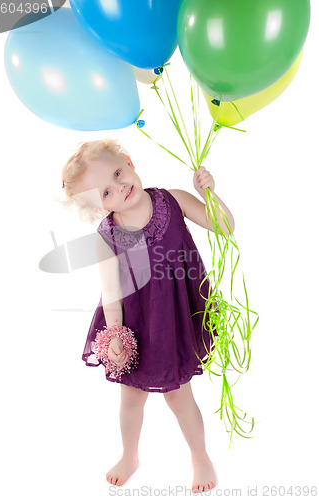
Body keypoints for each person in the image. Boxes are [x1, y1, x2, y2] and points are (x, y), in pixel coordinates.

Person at [59, 138, 235, 493]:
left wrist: (210, 194)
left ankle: (200, 457)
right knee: (130, 397)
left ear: (128, 161)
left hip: (175, 317)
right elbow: (110, 294)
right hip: (136, 325)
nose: (120, 188)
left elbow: (226, 227)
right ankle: (130, 455)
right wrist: (116, 338)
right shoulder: (106, 236)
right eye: (106, 192)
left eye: (118, 173)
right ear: (98, 208)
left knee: (179, 395)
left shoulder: (171, 200)